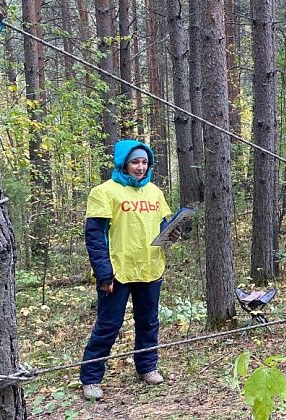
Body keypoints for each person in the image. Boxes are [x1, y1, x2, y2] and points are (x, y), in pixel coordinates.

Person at [80, 139, 177, 400]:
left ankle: (147, 367)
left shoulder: (154, 192)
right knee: (108, 325)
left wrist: (175, 230)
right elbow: (95, 236)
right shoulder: (104, 192)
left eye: (144, 162)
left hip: (150, 267)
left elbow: (163, 227)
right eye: (135, 161)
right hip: (117, 271)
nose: (140, 167)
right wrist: (103, 273)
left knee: (148, 321)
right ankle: (90, 379)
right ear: (124, 162)